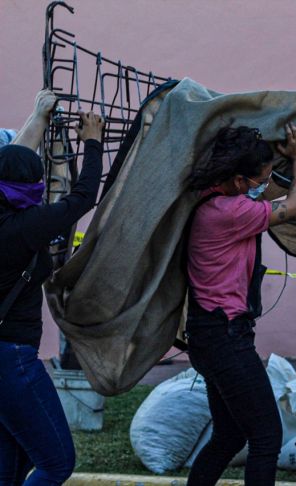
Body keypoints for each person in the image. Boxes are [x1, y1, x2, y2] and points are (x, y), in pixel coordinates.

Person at [184, 123, 296, 486]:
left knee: (229, 436)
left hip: (209, 334)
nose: (262, 185)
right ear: (239, 181)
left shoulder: (209, 196)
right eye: (260, 180)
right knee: (266, 436)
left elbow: (265, 194)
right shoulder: (230, 212)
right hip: (225, 338)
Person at [0, 90, 104, 485]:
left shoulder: (10, 213)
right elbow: (83, 197)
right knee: (56, 463)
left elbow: (11, 165)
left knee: (10, 468)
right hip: (12, 360)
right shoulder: (27, 226)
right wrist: (92, 141)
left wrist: (40, 115)